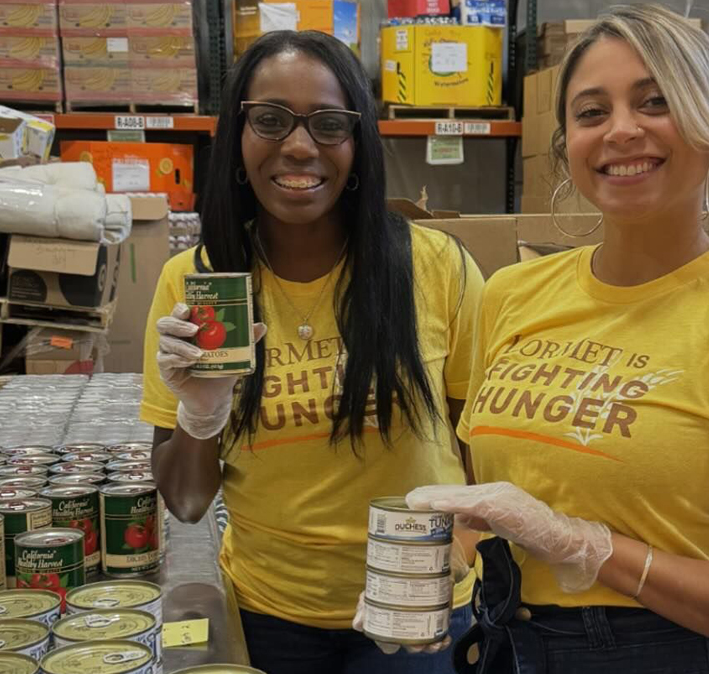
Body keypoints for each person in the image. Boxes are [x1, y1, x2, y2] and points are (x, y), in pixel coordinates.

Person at [383, 5, 709, 671]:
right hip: (506, 643)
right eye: (592, 112)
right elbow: (486, 497)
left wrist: (592, 549)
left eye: (655, 101)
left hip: (668, 650)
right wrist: (437, 573)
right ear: (567, 145)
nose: (622, 130)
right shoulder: (513, 294)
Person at [141, 30, 482, 674]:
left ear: (359, 145)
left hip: (414, 608)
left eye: (329, 124)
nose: (299, 147)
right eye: (269, 120)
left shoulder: (434, 267)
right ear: (237, 138)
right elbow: (186, 504)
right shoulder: (201, 285)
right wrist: (200, 417)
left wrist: (460, 549)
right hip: (270, 616)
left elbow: (486, 446)